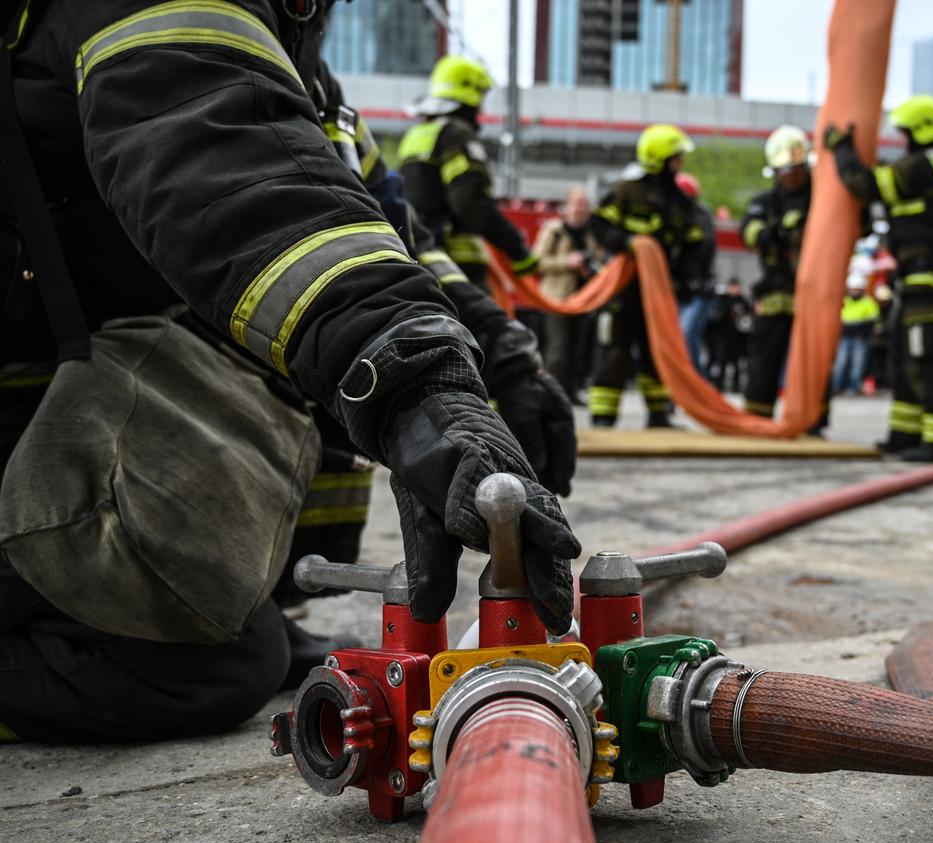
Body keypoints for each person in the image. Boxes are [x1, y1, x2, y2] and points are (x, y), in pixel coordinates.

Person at [0, 0, 577, 743]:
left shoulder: (302, 63)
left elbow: (385, 225)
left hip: (80, 397)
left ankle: (246, 598)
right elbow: (228, 166)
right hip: (32, 418)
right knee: (202, 669)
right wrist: (410, 385)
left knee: (296, 359)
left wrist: (501, 352)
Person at [828, 95, 933, 462]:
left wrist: (842, 149)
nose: (901, 140)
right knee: (905, 358)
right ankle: (905, 435)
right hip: (918, 280)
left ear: (917, 132)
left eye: (904, 132)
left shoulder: (920, 167)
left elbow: (864, 184)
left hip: (931, 281)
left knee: (927, 358)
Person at [587, 123, 705, 428]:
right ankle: (603, 415)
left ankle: (658, 413)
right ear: (659, 158)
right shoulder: (626, 191)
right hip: (625, 288)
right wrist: (626, 242)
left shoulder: (680, 200)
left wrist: (689, 279)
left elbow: (693, 243)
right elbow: (599, 226)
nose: (681, 162)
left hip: (659, 291)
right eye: (676, 157)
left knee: (657, 350)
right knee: (616, 348)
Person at [399, 55, 539, 289]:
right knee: (487, 324)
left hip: (417, 259)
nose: (481, 107)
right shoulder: (457, 134)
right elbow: (470, 203)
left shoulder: (415, 136)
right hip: (456, 268)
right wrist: (518, 249)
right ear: (469, 94)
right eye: (480, 98)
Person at [739, 125, 812, 419]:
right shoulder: (765, 202)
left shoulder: (820, 198)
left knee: (812, 358)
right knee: (765, 357)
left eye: (795, 170)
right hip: (775, 290)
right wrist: (773, 233)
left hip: (814, 291)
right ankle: (758, 415)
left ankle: (812, 419)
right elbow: (748, 231)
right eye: (783, 171)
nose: (790, 177)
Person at [533, 187, 598, 405]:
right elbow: (538, 262)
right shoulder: (554, 231)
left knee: (578, 349)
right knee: (558, 350)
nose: (581, 209)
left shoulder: (592, 234)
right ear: (567, 207)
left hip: (584, 300)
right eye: (577, 203)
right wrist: (567, 262)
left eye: (585, 204)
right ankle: (551, 394)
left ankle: (570, 392)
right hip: (557, 300)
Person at [673, 172, 717, 376]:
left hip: (697, 290)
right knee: (678, 339)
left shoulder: (699, 217)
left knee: (687, 336)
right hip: (677, 289)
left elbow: (703, 248)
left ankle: (697, 384)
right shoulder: (671, 216)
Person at [831, 272, 881, 396]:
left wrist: (863, 332)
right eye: (853, 289)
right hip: (844, 337)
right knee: (840, 363)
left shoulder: (868, 303)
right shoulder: (844, 302)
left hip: (861, 338)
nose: (855, 292)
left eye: (857, 289)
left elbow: (873, 321)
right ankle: (836, 387)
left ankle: (853, 387)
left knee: (858, 365)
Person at [705, 277, 751, 393]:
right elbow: (715, 317)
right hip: (723, 336)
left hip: (738, 338)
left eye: (737, 286)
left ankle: (736, 385)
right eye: (733, 286)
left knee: (737, 363)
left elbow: (748, 320)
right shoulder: (723, 300)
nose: (735, 289)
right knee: (722, 361)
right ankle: (718, 384)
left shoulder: (743, 301)